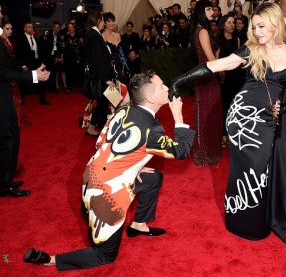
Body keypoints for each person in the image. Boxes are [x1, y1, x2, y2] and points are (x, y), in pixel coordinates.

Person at [169, 2, 286, 244]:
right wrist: (178, 81)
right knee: (252, 168)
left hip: (268, 119)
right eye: (254, 27)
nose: (257, 32)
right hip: (242, 117)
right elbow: (217, 64)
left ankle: (256, 219)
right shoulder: (251, 50)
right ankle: (245, 222)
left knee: (261, 170)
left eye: (261, 26)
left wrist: (285, 108)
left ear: (275, 24)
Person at [23, 70, 195, 270]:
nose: (167, 88)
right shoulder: (153, 131)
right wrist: (179, 116)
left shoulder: (124, 110)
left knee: (153, 178)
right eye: (162, 86)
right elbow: (182, 151)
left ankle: (138, 225)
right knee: (106, 256)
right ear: (149, 97)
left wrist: (134, 166)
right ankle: (50, 259)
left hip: (91, 176)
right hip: (106, 194)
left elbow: (102, 143)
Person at [0, 5, 50, 197]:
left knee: (11, 137)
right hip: (2, 95)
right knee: (8, 139)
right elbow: (3, 71)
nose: (1, 14)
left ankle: (6, 180)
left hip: (6, 93)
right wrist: (33, 76)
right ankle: (4, 184)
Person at [190, 0, 222, 166]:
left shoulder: (199, 30)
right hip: (208, 77)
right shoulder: (202, 31)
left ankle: (205, 150)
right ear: (201, 11)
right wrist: (222, 69)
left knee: (204, 113)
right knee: (207, 115)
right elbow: (211, 59)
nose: (212, 12)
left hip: (204, 76)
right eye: (209, 9)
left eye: (213, 9)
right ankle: (205, 153)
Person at [84, 10, 126, 136]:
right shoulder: (95, 36)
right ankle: (104, 131)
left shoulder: (92, 34)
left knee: (107, 101)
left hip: (105, 74)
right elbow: (97, 61)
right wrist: (106, 79)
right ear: (98, 21)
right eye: (103, 20)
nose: (103, 22)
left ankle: (93, 127)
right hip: (102, 77)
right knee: (104, 103)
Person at [0, 20, 31, 128]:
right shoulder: (1, 41)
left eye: (11, 29)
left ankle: (17, 119)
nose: (9, 31)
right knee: (14, 97)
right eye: (7, 29)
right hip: (6, 73)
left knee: (16, 97)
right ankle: (13, 121)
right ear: (2, 29)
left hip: (13, 70)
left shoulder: (10, 40)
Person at [218, 14, 242, 147]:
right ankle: (223, 135)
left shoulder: (237, 39)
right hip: (224, 77)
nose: (232, 25)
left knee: (235, 106)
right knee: (225, 106)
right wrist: (221, 73)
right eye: (229, 22)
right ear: (223, 25)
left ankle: (234, 133)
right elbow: (215, 59)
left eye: (234, 22)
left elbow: (239, 58)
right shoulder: (218, 40)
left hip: (236, 76)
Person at [16, 21, 51, 105]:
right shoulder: (21, 39)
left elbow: (39, 52)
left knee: (40, 81)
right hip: (26, 63)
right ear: (24, 29)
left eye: (31, 27)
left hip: (36, 62)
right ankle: (21, 98)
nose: (31, 28)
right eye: (28, 27)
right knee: (24, 81)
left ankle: (42, 99)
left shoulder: (35, 38)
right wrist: (23, 65)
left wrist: (42, 63)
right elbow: (19, 53)